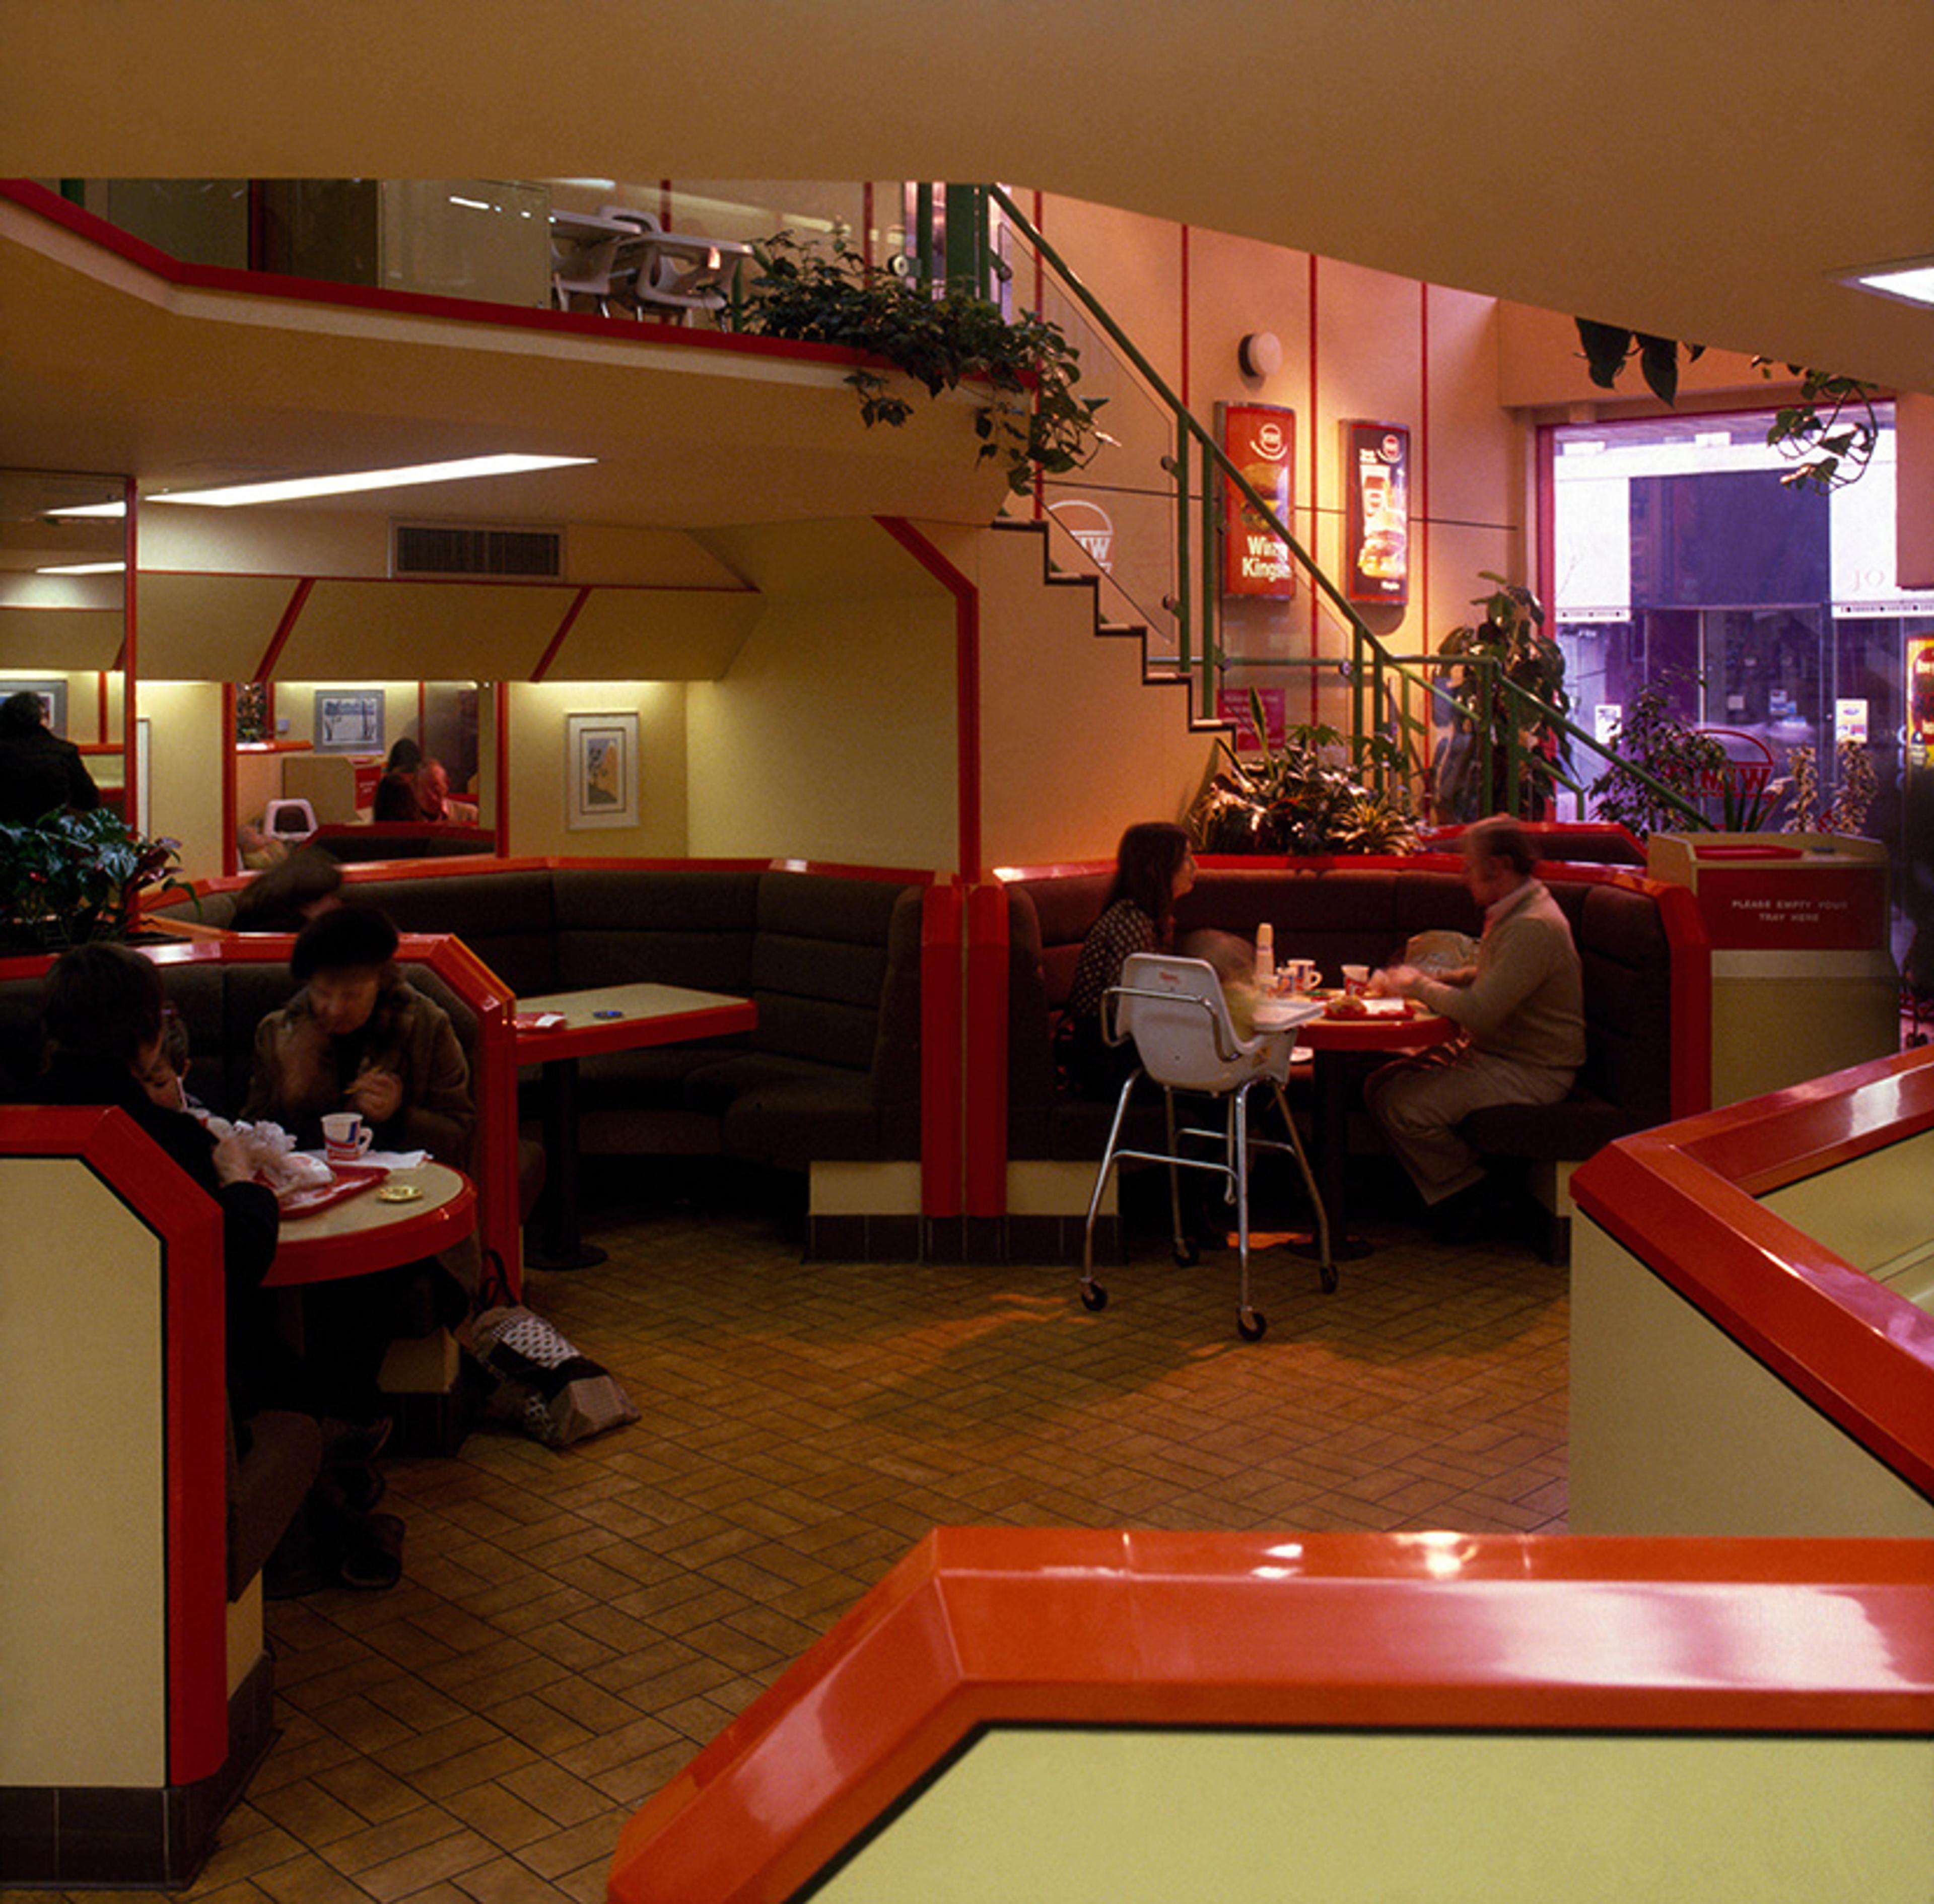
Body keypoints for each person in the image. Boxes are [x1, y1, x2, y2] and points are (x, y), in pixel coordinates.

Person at [1362, 814, 1584, 1240]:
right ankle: (1459, 1191)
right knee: (1380, 1085)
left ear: (1498, 866)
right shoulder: (1516, 913)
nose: (1464, 876)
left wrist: (1419, 985)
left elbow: (1482, 1011)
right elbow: (1488, 976)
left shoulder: (1532, 927)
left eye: (1470, 864)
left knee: (1401, 1106)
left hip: (1532, 1069)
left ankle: (1478, 1196)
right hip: (1498, 1054)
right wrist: (1433, 981)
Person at [1059, 821, 1198, 1098]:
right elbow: (1129, 1011)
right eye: (1186, 858)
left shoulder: (1144, 918)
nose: (1195, 867)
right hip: (1109, 1061)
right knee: (1236, 1085)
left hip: (1130, 1053)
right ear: (1156, 869)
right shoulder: (1131, 921)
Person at [0, 689, 102, 823]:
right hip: (51, 836)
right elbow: (88, 801)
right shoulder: (64, 752)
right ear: (41, 719)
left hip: (6, 835)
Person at [229, 843, 344, 933]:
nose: (337, 904)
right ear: (306, 903)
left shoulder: (250, 917)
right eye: (330, 897)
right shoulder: (306, 940)